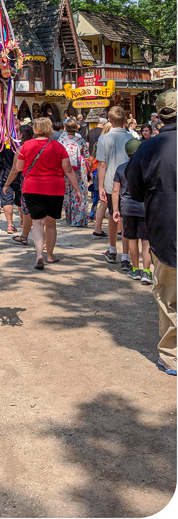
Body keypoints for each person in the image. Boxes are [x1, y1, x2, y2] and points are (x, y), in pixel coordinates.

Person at [127, 89, 177, 376]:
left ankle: (172, 357)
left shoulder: (147, 148)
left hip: (165, 231)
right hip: (165, 231)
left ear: (158, 115)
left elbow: (135, 190)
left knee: (170, 298)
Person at [16, 117, 82, 270]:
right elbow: (68, 170)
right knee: (51, 224)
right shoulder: (58, 147)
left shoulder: (26, 145)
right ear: (49, 129)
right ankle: (50, 256)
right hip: (54, 188)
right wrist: (77, 189)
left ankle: (39, 254)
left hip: (32, 187)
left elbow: (19, 167)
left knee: (37, 222)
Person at [96, 107, 132, 269]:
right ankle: (125, 256)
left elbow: (102, 165)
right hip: (129, 182)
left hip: (111, 182)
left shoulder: (104, 139)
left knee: (112, 215)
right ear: (125, 120)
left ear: (109, 120)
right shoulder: (131, 138)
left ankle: (112, 250)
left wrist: (100, 186)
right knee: (125, 219)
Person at [112, 138, 152, 285]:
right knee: (146, 240)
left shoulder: (121, 168)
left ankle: (135, 269)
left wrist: (116, 209)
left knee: (132, 238)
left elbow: (116, 190)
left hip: (127, 207)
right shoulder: (147, 167)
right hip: (144, 207)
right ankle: (147, 272)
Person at [2, 125, 34, 246]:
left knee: (27, 212)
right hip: (44, 183)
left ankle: (25, 236)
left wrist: (7, 184)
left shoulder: (21, 149)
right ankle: (43, 241)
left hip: (27, 183)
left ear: (21, 135)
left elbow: (15, 170)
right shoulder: (43, 145)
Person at [58, 119, 90, 227]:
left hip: (65, 167)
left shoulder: (61, 140)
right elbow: (86, 155)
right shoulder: (80, 140)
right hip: (79, 167)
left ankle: (69, 217)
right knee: (79, 191)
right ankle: (79, 218)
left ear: (65, 127)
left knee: (68, 193)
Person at [0, 131, 20, 233]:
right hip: (18, 175)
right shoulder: (19, 139)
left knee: (7, 200)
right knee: (20, 200)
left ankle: (10, 225)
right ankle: (23, 221)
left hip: (4, 174)